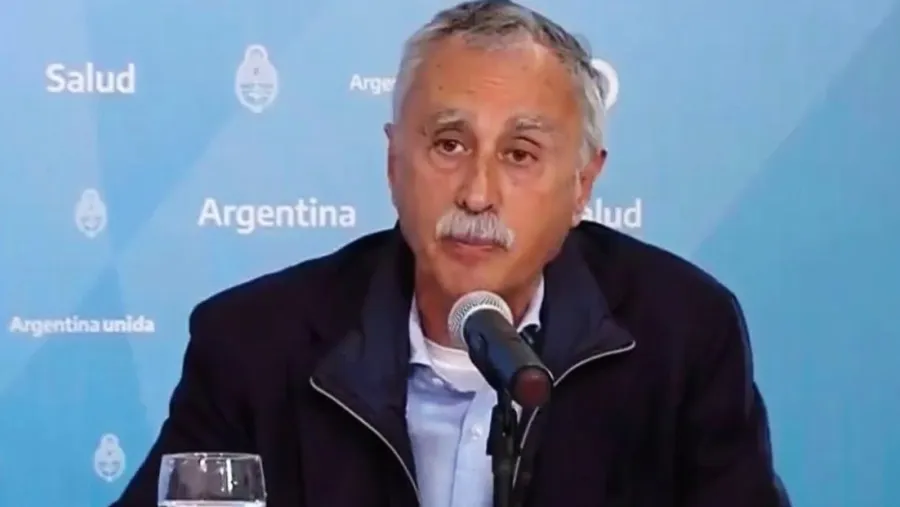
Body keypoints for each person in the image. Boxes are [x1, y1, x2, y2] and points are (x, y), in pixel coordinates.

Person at [114, 1, 789, 506]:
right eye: (448, 144)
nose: (477, 193)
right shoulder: (254, 346)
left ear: (583, 184)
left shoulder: (681, 337)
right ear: (393, 162)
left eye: (520, 154)